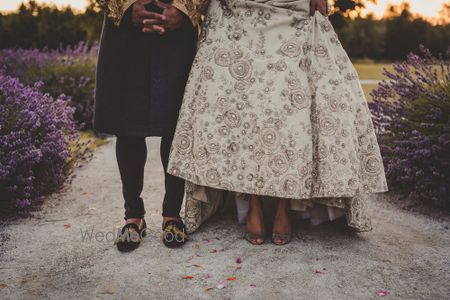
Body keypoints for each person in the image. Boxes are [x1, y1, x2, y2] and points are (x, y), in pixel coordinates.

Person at [167, 0, 389, 245]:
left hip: (292, 6)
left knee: (289, 102)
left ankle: (285, 203)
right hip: (238, 9)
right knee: (246, 100)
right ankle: (254, 202)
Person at [94, 0, 208, 251]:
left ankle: (172, 215)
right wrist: (125, 7)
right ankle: (133, 216)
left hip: (178, 29)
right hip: (125, 28)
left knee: (175, 123)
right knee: (128, 124)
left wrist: (185, 9)